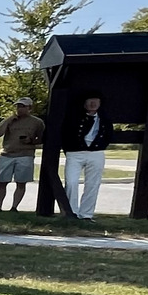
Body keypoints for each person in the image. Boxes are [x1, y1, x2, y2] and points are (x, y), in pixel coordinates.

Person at [62, 89, 110, 220]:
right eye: (90, 100)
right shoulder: (74, 116)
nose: (93, 103)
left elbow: (108, 134)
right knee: (71, 182)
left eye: (96, 101)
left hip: (96, 153)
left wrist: (100, 146)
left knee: (93, 184)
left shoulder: (104, 117)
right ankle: (71, 212)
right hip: (75, 153)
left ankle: (86, 214)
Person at [0, 97, 45, 211]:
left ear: (29, 108)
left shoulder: (37, 122)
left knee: (21, 182)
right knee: (2, 182)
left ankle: (14, 207)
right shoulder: (10, 120)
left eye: (23, 106)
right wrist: (8, 120)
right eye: (18, 106)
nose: (19, 109)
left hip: (25, 154)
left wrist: (30, 141)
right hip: (7, 154)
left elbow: (42, 140)